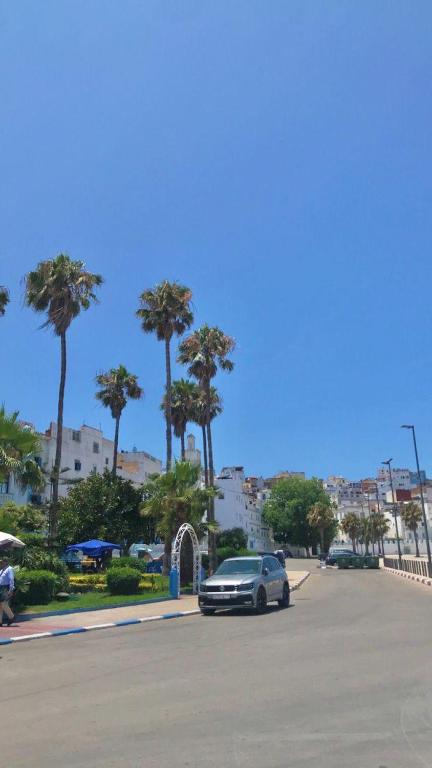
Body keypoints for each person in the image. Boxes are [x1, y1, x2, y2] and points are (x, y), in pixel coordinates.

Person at [0, 557, 15, 627]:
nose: (1, 563)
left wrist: (11, 589)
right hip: (0, 588)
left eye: (2, 562)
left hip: (5, 588)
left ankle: (11, 617)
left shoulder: (10, 569)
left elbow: (11, 579)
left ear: (6, 562)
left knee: (3, 603)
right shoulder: (1, 570)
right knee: (0, 605)